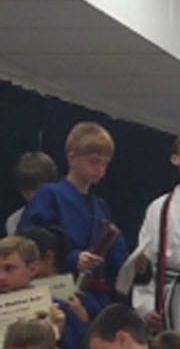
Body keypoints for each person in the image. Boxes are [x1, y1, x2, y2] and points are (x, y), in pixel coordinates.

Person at [21, 122, 131, 300]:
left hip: (92, 294)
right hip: (55, 289)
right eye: (94, 161)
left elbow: (115, 253)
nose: (100, 169)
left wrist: (134, 266)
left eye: (105, 163)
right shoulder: (50, 195)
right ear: (72, 158)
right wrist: (72, 258)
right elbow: (29, 244)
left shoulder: (101, 206)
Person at [132, 132, 180, 330]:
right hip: (170, 299)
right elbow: (144, 262)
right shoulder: (158, 208)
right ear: (175, 159)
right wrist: (145, 307)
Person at [6, 151, 56, 235]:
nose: (32, 196)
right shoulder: (14, 221)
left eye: (37, 189)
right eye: (26, 191)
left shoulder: (70, 212)